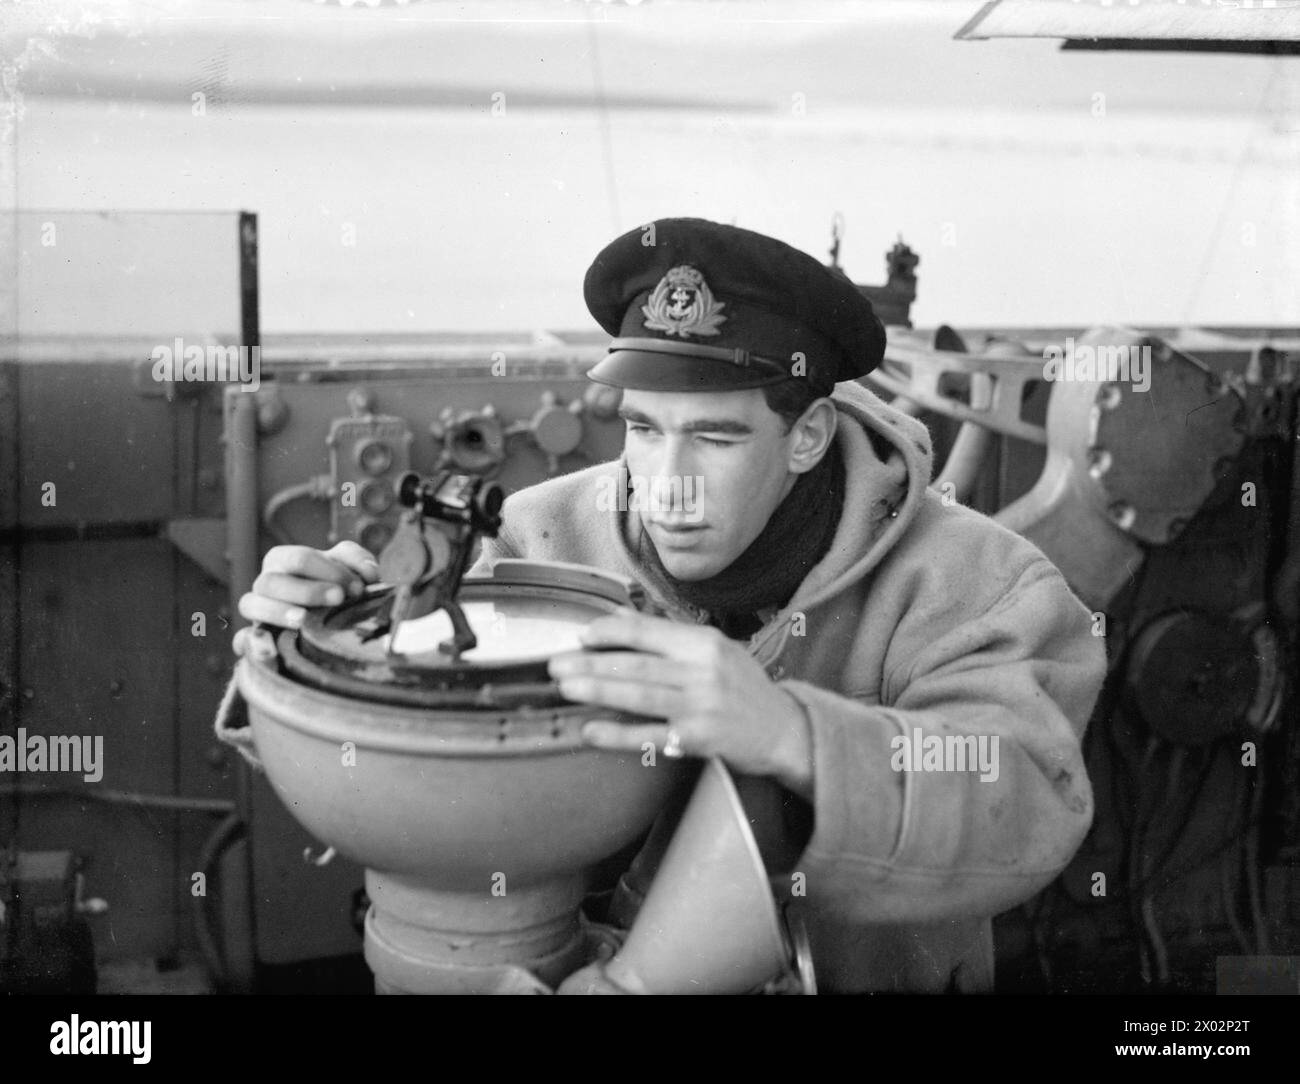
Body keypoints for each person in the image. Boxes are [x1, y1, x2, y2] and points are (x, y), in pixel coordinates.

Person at [238, 217, 1104, 993]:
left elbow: (1027, 801)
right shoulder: (539, 539)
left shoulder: (978, 583)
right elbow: (407, 739)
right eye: (645, 430)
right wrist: (326, 635)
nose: (665, 486)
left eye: (715, 438)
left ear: (806, 436)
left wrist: (794, 736)